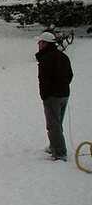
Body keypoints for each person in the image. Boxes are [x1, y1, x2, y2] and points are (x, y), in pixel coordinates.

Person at [36, 31, 73, 161]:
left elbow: (44, 80)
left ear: (45, 43)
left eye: (40, 43)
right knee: (57, 123)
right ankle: (54, 146)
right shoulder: (63, 56)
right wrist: (63, 87)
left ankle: (60, 153)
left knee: (53, 125)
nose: (38, 45)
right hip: (64, 94)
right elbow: (70, 75)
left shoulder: (45, 59)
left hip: (52, 97)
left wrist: (45, 95)